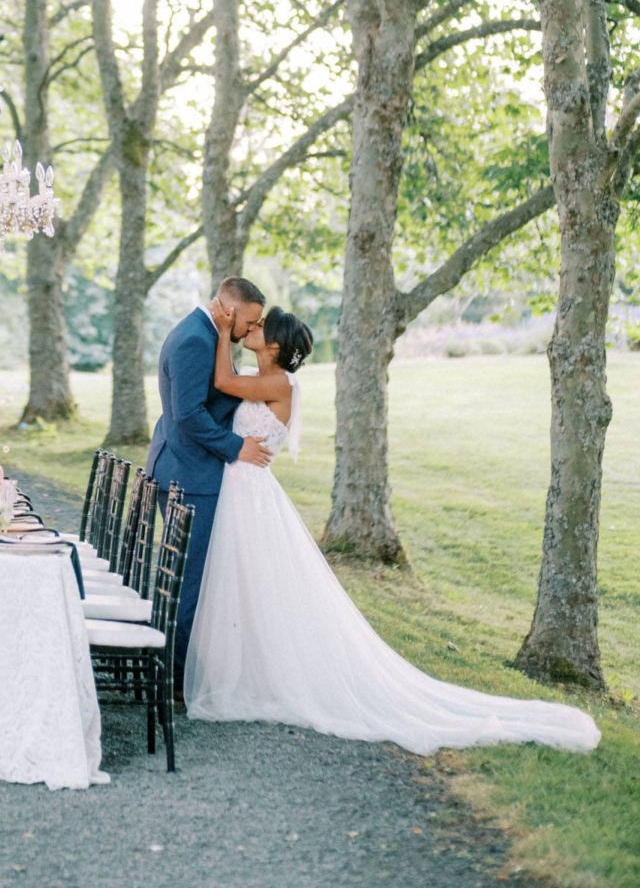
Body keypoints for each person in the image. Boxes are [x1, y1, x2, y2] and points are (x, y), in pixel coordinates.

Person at [183, 302, 601, 755]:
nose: (253, 327)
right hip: (244, 489)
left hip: (251, 492)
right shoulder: (264, 376)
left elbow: (224, 382)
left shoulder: (280, 382)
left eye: (260, 326)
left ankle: (259, 675)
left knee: (252, 582)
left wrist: (223, 331)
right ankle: (249, 669)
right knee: (247, 585)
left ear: (276, 345)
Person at [145, 277, 272, 693]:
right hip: (190, 475)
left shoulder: (203, 333)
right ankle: (176, 682)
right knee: (188, 581)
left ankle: (172, 668)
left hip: (184, 469)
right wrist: (237, 447)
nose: (252, 330)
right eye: (250, 321)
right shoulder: (194, 341)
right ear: (230, 311)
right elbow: (188, 414)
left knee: (184, 576)